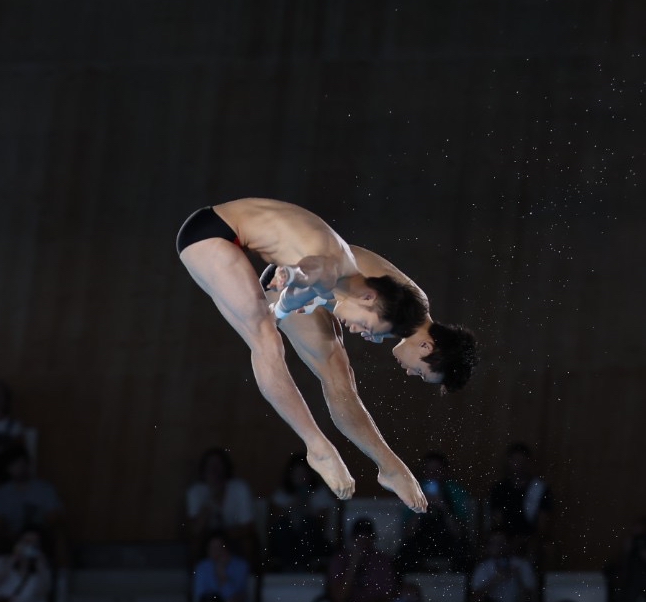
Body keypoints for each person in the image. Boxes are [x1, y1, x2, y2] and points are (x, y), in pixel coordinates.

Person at [175, 199, 477, 507]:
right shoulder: (391, 303)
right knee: (269, 341)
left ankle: (386, 466)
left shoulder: (401, 308)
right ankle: (321, 446)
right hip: (220, 236)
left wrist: (296, 295)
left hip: (309, 281)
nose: (411, 373)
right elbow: (322, 267)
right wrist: (293, 276)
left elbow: (331, 273)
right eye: (421, 372)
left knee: (337, 372)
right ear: (428, 346)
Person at [396, 452, 473, 573]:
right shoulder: (413, 491)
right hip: (422, 542)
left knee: (465, 551)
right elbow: (408, 533)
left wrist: (443, 507)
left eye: (437, 471)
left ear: (445, 472)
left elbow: (460, 533)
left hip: (448, 541)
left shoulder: (455, 492)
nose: (432, 476)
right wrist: (420, 508)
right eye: (428, 472)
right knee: (405, 552)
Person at [326, 519, 399, 602]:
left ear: (373, 538)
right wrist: (353, 565)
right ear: (352, 538)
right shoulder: (339, 560)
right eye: (359, 537)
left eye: (367, 537)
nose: (363, 541)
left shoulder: (382, 561)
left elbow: (387, 598)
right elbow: (339, 597)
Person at [266, 454, 336, 572]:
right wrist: (293, 506)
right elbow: (272, 522)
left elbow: (322, 524)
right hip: (287, 541)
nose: (300, 478)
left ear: (310, 474)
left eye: (303, 473)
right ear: (290, 475)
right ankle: (287, 567)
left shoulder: (320, 493)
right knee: (283, 526)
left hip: (313, 542)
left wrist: (306, 506)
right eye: (297, 474)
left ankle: (303, 567)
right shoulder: (281, 494)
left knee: (307, 524)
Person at [182, 448, 257, 560]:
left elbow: (247, 527)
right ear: (204, 469)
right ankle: (197, 576)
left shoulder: (240, 488)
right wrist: (210, 499)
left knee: (248, 540)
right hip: (208, 537)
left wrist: (223, 535)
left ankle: (250, 575)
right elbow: (194, 530)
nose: (214, 469)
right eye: (210, 464)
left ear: (226, 467)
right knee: (196, 541)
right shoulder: (195, 492)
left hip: (233, 534)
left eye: (218, 464)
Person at [0, 447, 62, 554]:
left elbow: (54, 516)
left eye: (22, 463)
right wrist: (12, 535)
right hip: (11, 537)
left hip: (40, 535)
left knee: (59, 534)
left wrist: (37, 533)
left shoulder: (45, 489)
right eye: (14, 465)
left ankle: (63, 570)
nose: (19, 468)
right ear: (7, 468)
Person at [487, 444, 554, 561]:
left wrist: (525, 539)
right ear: (509, 462)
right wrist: (507, 540)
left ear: (529, 462)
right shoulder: (499, 489)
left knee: (540, 547)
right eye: (516, 460)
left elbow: (542, 524)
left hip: (530, 538)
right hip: (505, 537)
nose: (519, 465)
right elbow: (496, 520)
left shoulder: (540, 489)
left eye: (523, 461)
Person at [469, 532, 539, 602]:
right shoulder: (483, 567)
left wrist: (517, 578)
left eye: (501, 542)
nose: (498, 546)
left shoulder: (522, 565)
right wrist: (496, 580)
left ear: (508, 544)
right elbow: (474, 601)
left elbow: (531, 598)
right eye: (493, 543)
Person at [192, 534, 255, 602]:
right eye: (212, 547)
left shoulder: (241, 565)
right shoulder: (202, 567)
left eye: (218, 547)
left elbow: (237, 599)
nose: (215, 551)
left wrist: (222, 575)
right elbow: (201, 595)